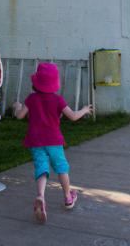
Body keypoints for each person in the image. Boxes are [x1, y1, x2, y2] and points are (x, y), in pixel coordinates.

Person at [12, 62, 93, 224]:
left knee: (41, 168)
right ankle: (68, 198)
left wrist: (17, 106)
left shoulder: (31, 98)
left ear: (36, 82)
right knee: (61, 168)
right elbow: (72, 116)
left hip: (36, 141)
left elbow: (19, 116)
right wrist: (84, 110)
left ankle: (40, 195)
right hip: (54, 141)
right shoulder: (58, 100)